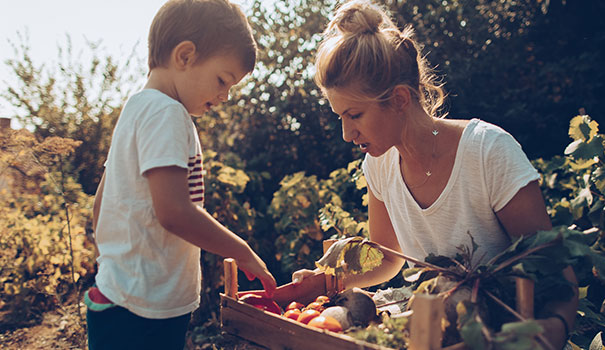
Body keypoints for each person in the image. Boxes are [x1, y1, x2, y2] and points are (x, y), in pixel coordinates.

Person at [291, 0, 578, 349]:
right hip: (435, 328)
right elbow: (388, 258)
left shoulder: (488, 152)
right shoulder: (379, 165)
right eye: (340, 117)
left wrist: (554, 329)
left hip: (502, 334)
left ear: (398, 99)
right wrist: (325, 282)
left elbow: (557, 273)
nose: (346, 134)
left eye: (354, 115)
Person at [86, 1, 277, 349]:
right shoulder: (167, 114)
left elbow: (101, 203)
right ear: (185, 56)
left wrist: (115, 267)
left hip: (119, 297)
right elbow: (174, 211)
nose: (225, 96)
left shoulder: (136, 108)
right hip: (142, 311)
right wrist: (242, 250)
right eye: (223, 80)